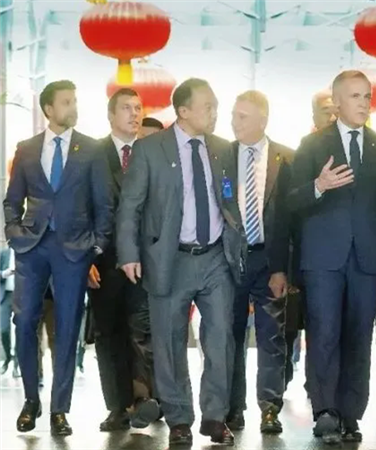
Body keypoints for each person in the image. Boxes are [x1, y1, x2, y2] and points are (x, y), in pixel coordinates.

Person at [116, 78, 245, 447]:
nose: (215, 113)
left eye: (216, 105)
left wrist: (237, 241)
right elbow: (130, 206)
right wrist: (129, 253)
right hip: (169, 258)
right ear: (184, 111)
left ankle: (215, 417)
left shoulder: (222, 149)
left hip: (216, 257)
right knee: (170, 341)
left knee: (220, 338)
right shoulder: (150, 149)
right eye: (208, 107)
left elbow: (228, 199)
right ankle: (179, 418)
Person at [288, 70, 376, 445]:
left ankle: (350, 413)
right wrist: (318, 186)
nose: (364, 103)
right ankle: (325, 411)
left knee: (359, 337)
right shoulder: (313, 144)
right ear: (337, 102)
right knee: (324, 334)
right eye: (356, 96)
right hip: (323, 257)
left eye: (367, 96)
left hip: (367, 257)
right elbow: (291, 201)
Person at [4, 79, 113, 435]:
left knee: (67, 328)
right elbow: (12, 200)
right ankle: (30, 400)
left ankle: (59, 410)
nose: (73, 107)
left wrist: (96, 246)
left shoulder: (92, 149)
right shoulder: (27, 149)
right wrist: (14, 232)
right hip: (31, 248)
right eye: (66, 102)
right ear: (49, 109)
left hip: (74, 250)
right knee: (24, 322)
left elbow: (104, 204)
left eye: (75, 100)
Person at [90, 87, 160, 432]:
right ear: (110, 115)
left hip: (147, 260)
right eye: (127, 108)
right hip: (103, 262)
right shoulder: (93, 154)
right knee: (109, 335)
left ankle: (144, 400)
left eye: (138, 107)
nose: (134, 114)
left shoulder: (154, 152)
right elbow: (81, 208)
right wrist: (86, 257)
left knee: (143, 332)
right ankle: (117, 406)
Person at [226, 90, 293, 434]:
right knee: (229, 336)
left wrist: (283, 267)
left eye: (242, 116)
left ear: (262, 119)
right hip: (229, 262)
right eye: (233, 114)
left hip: (270, 260)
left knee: (271, 337)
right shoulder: (222, 155)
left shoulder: (287, 158)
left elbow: (291, 219)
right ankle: (232, 408)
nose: (234, 122)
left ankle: (270, 408)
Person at [0, 243, 13, 374]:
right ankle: (8, 358)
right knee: (3, 329)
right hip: (6, 295)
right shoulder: (4, 254)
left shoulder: (27, 254)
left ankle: (18, 365)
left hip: (23, 296)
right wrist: (3, 274)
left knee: (23, 330)